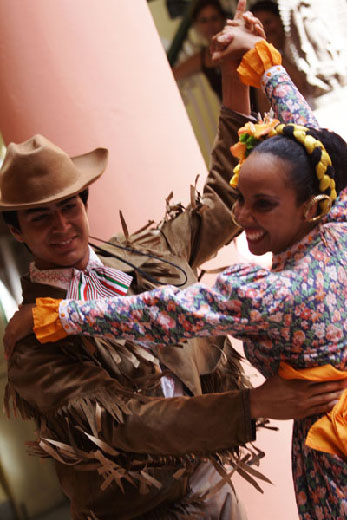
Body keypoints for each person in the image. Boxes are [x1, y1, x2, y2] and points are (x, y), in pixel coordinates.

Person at [10, 21, 347, 520]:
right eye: (40, 217)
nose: (61, 225)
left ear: (85, 203)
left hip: (216, 482)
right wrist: (251, 406)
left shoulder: (146, 253)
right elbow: (126, 423)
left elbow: (223, 198)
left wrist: (237, 80)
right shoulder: (29, 339)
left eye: (69, 207)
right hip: (144, 508)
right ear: (17, 232)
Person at [172, 0, 227, 101]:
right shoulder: (203, 57)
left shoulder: (238, 44)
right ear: (197, 25)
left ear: (223, 19)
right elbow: (173, 75)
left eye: (214, 18)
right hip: (233, 115)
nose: (210, 25)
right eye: (203, 20)